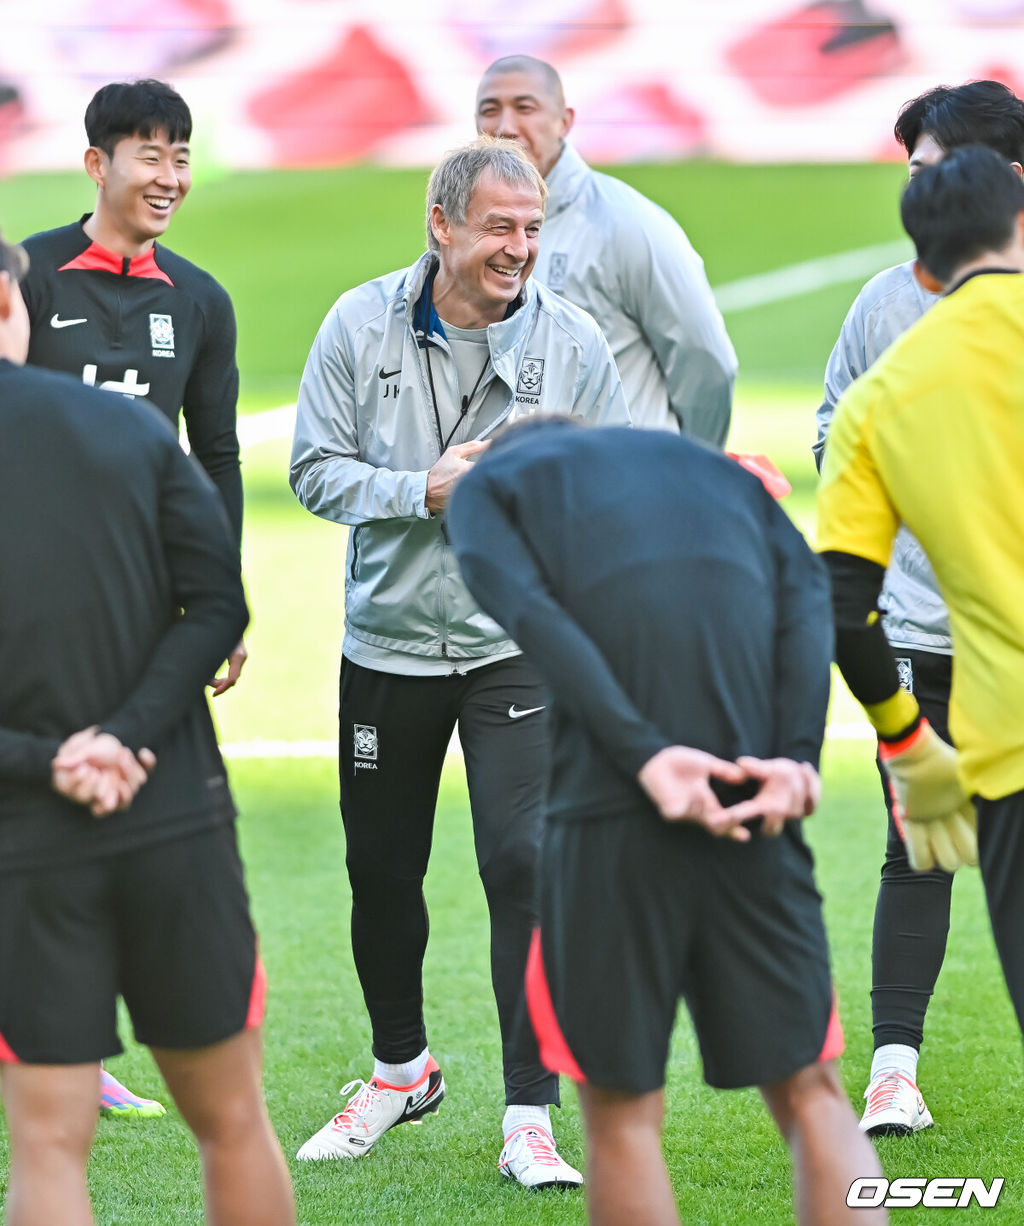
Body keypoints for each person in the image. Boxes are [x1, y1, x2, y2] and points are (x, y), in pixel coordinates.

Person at [289, 136, 629, 1186]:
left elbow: (607, 490)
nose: (519, 248)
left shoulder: (574, 345)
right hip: (386, 642)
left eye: (532, 229)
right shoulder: (357, 321)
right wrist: (419, 489)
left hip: (508, 645)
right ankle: (401, 1070)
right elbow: (311, 469)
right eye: (498, 227)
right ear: (441, 224)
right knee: (381, 868)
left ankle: (529, 1111)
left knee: (522, 863)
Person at [445, 416, 885, 1226]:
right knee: (812, 1091)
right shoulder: (713, 470)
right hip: (755, 801)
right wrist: (795, 759)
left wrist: (646, 754)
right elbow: (810, 592)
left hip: (609, 818)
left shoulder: (489, 487)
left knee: (619, 1115)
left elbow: (532, 615)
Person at [0, 231, 295, 1226]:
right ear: (14, 305)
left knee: (46, 1143)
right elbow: (218, 607)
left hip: (21, 838)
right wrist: (124, 735)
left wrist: (53, 760)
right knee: (232, 1122)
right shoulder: (127, 432)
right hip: (169, 807)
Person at [17, 76, 249, 1118]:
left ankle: (78, 1039)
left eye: (182, 155)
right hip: (32, 603)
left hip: (154, 601)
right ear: (96, 163)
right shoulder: (27, 276)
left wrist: (223, 593)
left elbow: (220, 455)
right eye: (149, 155)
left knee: (139, 799)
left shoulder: (199, 299)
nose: (170, 177)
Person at [813, 79, 1024, 1136]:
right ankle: (894, 1065)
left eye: (934, 168)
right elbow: (827, 438)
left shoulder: (897, 387)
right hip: (922, 640)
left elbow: (828, 586)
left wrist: (899, 734)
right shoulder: (878, 319)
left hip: (965, 680)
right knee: (918, 852)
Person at [475, 55, 736, 440]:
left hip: (618, 485)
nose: (505, 127)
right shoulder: (464, 231)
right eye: (490, 110)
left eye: (525, 108)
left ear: (564, 121)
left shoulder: (628, 224)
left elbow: (705, 362)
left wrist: (693, 466)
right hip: (520, 486)